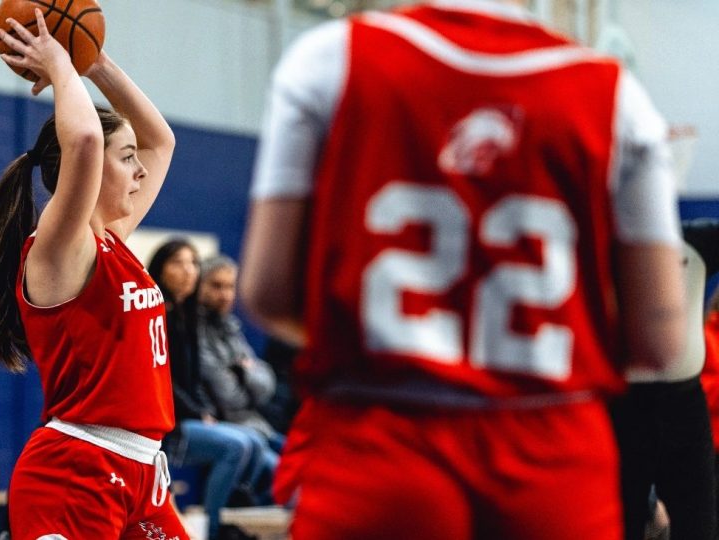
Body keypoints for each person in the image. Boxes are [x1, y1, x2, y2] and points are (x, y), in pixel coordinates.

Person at [240, 1, 686, 539]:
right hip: (552, 447)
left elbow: (267, 293)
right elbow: (659, 343)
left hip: (378, 435)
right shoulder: (617, 96)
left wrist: (399, 345)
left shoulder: (329, 58)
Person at [0, 10, 186, 539]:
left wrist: (94, 62)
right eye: (127, 158)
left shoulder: (113, 240)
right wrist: (59, 63)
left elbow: (162, 142)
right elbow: (86, 140)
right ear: (85, 170)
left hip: (141, 473)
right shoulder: (58, 246)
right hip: (75, 472)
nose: (140, 170)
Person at [610, 218, 719, 540]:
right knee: (621, 523)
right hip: (624, 404)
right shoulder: (602, 236)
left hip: (685, 405)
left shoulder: (699, 238)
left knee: (700, 526)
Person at [148, 240, 263, 540]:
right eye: (178, 263)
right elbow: (161, 378)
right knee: (236, 445)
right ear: (160, 268)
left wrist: (204, 411)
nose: (188, 271)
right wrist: (198, 413)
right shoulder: (154, 313)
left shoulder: (188, 318)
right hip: (167, 423)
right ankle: (212, 530)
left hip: (190, 415)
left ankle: (230, 520)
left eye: (193, 263)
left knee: (255, 441)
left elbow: (194, 379)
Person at [197, 255, 284, 458]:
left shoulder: (230, 327)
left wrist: (243, 373)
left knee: (301, 459)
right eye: (216, 286)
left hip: (256, 425)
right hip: (230, 426)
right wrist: (249, 378)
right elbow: (228, 397)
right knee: (278, 468)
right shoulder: (195, 332)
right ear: (198, 287)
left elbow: (267, 384)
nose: (225, 295)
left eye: (230, 287)